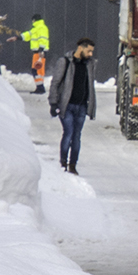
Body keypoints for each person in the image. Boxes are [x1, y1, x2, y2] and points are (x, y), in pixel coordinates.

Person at [48, 38, 97, 175]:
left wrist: (91, 106)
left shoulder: (89, 64)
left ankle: (73, 165)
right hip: (67, 105)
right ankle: (63, 162)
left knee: (76, 136)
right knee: (68, 133)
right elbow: (55, 83)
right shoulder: (65, 62)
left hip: (81, 107)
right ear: (80, 48)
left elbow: (90, 86)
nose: (91, 54)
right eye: (89, 51)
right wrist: (53, 103)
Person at [20, 14, 50, 93]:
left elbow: (43, 39)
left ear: (35, 20)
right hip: (37, 53)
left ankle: (40, 88)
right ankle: (39, 87)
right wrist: (18, 38)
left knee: (37, 71)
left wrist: (41, 50)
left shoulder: (41, 28)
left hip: (40, 53)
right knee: (36, 70)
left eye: (33, 20)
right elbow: (28, 35)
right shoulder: (36, 28)